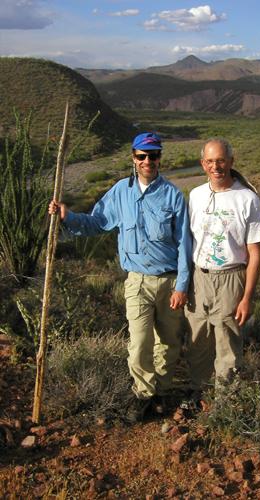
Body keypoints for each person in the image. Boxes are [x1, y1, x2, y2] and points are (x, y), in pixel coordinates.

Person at [49, 132, 192, 423]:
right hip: (137, 281)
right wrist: (68, 216)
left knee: (167, 342)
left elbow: (184, 245)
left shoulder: (173, 196)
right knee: (139, 342)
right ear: (133, 157)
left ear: (160, 158)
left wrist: (182, 285)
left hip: (168, 281)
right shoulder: (120, 192)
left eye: (154, 155)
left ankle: (162, 392)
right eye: (142, 156)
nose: (148, 161)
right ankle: (143, 394)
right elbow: (97, 222)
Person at [184, 138, 260, 403]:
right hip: (199, 277)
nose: (216, 166)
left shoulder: (247, 198)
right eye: (210, 161)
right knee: (197, 338)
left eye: (221, 160)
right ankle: (198, 391)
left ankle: (224, 400)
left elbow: (255, 253)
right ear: (203, 164)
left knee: (227, 342)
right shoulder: (196, 195)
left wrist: (247, 297)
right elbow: (188, 241)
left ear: (231, 161)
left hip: (232, 278)